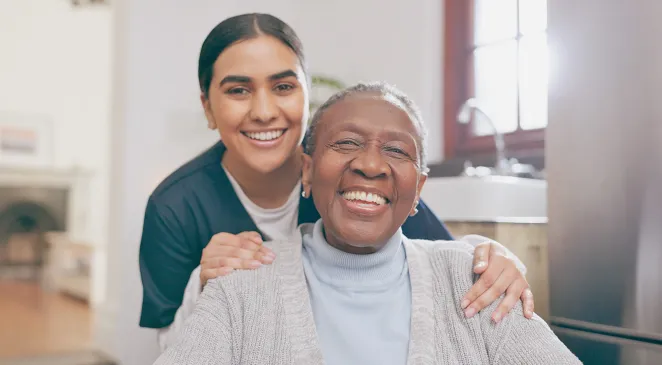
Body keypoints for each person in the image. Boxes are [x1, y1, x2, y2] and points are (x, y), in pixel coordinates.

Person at [139, 13, 535, 350]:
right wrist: (202, 287)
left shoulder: (353, 181)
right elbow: (170, 348)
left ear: (306, 95)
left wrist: (494, 256)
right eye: (238, 90)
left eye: (283, 87)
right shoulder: (175, 206)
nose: (263, 111)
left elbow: (444, 260)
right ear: (208, 107)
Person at [154, 82, 580, 365]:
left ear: (419, 190)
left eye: (396, 151)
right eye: (347, 143)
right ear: (306, 170)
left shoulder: (477, 284)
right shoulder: (243, 286)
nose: (372, 165)